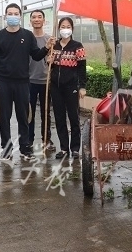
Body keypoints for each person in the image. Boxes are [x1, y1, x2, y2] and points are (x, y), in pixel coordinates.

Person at [0, 3, 48, 162]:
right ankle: (6, 148)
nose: (13, 16)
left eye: (16, 14)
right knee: (4, 117)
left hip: (22, 82)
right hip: (3, 82)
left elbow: (36, 55)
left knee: (23, 117)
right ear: (5, 16)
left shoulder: (27, 36)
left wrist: (46, 48)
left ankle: (25, 148)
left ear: (20, 16)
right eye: (10, 13)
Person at [47, 17, 87, 159]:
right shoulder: (55, 46)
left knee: (73, 116)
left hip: (71, 86)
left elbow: (82, 68)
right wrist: (49, 61)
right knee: (59, 117)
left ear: (72, 29)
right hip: (56, 87)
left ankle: (75, 148)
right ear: (59, 29)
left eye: (68, 26)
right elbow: (50, 65)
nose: (65, 29)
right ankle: (64, 148)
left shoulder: (77, 46)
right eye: (63, 26)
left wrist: (82, 87)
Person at [28, 9, 55, 152]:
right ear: (30, 21)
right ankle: (29, 140)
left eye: (39, 17)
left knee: (46, 113)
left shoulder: (50, 40)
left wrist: (51, 61)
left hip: (45, 81)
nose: (37, 19)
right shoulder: (27, 38)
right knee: (29, 112)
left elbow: (55, 61)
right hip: (29, 81)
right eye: (34, 17)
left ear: (44, 21)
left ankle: (46, 139)